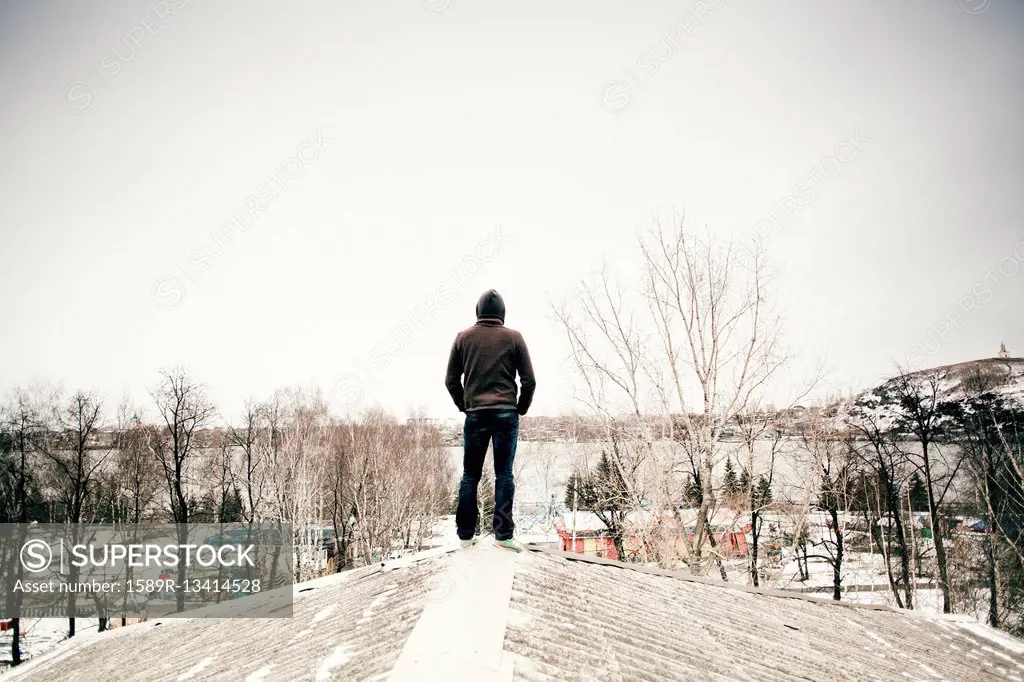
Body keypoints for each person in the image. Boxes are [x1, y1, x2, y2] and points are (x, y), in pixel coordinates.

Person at [445, 289, 536, 552]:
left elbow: (451, 381)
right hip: (506, 413)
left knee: (469, 476)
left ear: (478, 311)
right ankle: (503, 535)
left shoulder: (463, 338)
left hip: (475, 414)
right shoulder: (514, 337)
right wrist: (521, 408)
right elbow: (529, 380)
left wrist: (464, 405)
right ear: (502, 313)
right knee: (504, 475)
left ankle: (464, 535)